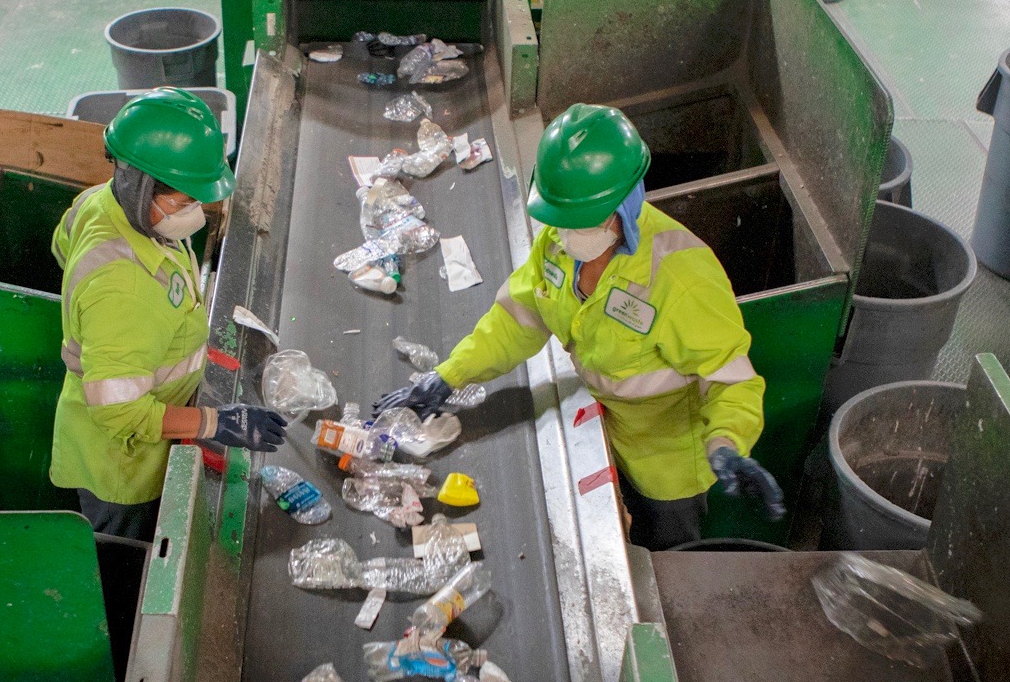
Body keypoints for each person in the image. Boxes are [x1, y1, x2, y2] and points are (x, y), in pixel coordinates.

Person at [378, 103, 783, 550]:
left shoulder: (682, 279)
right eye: (559, 219)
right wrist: (449, 375)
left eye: (580, 221)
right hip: (607, 429)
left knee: (665, 553)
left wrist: (726, 445)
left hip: (668, 464)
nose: (565, 235)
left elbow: (731, 381)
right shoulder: (561, 245)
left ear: (624, 208)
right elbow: (517, 320)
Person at [50, 87, 287, 539]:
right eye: (183, 204)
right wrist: (218, 422)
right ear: (139, 186)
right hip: (122, 466)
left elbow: (62, 246)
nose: (196, 216)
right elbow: (120, 414)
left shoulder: (102, 203)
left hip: (130, 415)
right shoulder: (123, 290)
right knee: (124, 550)